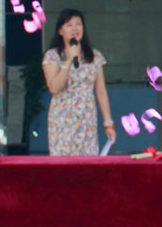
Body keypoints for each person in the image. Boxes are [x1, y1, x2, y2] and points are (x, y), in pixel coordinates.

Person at [41, 9, 116, 156]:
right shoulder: (52, 56)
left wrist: (108, 123)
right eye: (69, 25)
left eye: (78, 24)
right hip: (62, 121)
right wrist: (69, 59)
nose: (75, 29)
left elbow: (101, 92)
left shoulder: (94, 56)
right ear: (60, 31)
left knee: (87, 164)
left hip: (87, 120)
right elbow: (54, 88)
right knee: (63, 164)